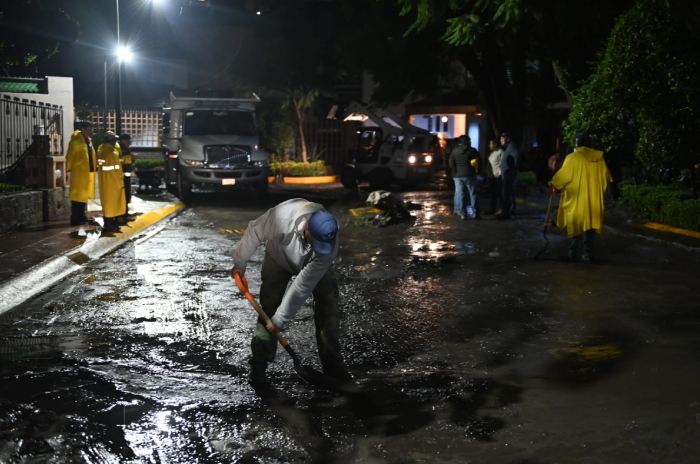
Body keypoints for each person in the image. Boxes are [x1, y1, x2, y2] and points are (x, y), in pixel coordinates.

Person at [230, 198, 351, 388]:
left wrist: (281, 320)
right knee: (269, 307)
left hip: (311, 264)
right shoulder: (281, 218)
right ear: (308, 229)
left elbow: (303, 285)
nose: (318, 246)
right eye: (315, 241)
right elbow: (254, 231)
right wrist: (240, 263)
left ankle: (333, 366)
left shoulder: (329, 237)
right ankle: (259, 364)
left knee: (328, 302)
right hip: (277, 258)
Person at [550, 133, 612, 262]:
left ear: (577, 144)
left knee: (576, 226)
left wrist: (554, 183)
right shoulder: (599, 159)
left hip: (577, 200)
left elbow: (562, 177)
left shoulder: (572, 158)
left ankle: (573, 255)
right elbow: (606, 178)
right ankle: (589, 255)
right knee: (590, 227)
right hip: (593, 200)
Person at [65, 120, 97, 227]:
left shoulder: (87, 141)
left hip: (86, 172)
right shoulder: (76, 141)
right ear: (83, 129)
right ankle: (75, 218)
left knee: (83, 196)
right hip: (79, 173)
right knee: (77, 196)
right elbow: (70, 155)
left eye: (91, 128)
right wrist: (68, 168)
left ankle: (82, 216)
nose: (91, 130)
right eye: (89, 128)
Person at [96, 131, 127, 232]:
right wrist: (120, 182)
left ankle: (109, 223)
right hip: (113, 182)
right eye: (114, 140)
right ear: (111, 141)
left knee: (107, 203)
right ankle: (111, 224)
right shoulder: (112, 153)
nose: (116, 142)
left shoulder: (100, 151)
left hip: (104, 182)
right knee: (113, 204)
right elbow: (116, 169)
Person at [448, 135, 480, 219]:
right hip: (470, 175)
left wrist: (454, 172)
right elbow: (479, 161)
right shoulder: (473, 151)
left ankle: (463, 214)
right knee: (472, 193)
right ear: (467, 141)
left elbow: (451, 164)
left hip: (458, 176)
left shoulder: (454, 151)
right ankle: (474, 213)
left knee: (460, 194)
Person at [497, 132, 520, 219]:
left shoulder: (512, 147)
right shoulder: (508, 148)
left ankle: (507, 213)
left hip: (509, 174)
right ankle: (506, 211)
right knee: (506, 193)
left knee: (507, 193)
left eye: (503, 139)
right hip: (506, 173)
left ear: (508, 139)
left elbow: (515, 159)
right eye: (501, 139)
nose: (501, 140)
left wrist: (510, 168)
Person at [486, 139, 503, 215]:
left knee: (499, 193)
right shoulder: (491, 152)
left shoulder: (500, 152)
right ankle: (492, 209)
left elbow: (502, 163)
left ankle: (501, 209)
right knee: (493, 194)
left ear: (495, 144)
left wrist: (499, 173)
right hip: (491, 176)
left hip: (497, 176)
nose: (489, 146)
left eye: (491, 144)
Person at [117, 133, 135, 208]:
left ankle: (125, 210)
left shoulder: (127, 148)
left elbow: (129, 161)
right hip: (120, 174)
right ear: (122, 140)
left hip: (127, 173)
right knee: (122, 193)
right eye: (127, 140)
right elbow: (117, 160)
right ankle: (122, 211)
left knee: (127, 192)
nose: (129, 142)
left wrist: (132, 158)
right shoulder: (118, 148)